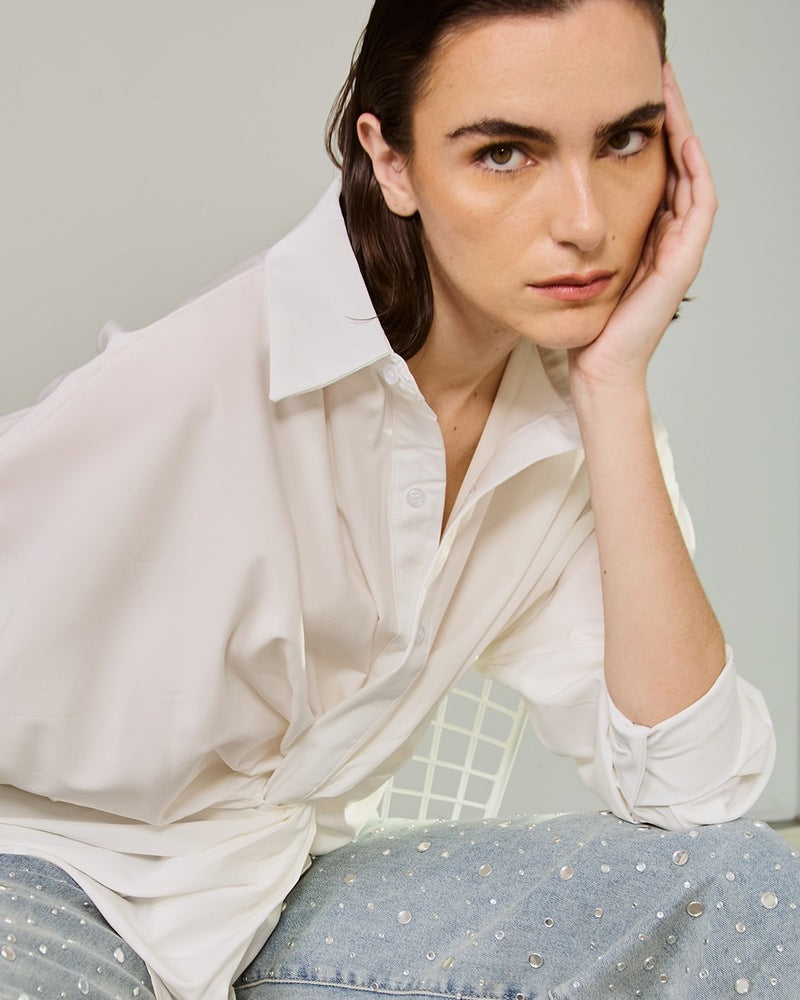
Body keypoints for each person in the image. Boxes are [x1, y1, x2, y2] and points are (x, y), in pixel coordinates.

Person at [0, 0, 795, 998]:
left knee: (738, 890)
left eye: (624, 141)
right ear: (391, 161)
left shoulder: (565, 433)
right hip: (48, 885)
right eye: (504, 153)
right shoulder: (199, 383)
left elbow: (695, 792)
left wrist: (612, 386)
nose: (585, 222)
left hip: (271, 897)